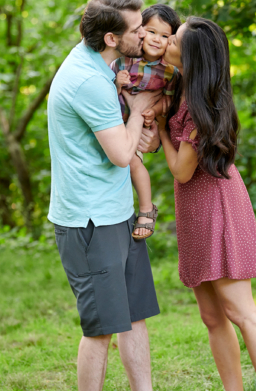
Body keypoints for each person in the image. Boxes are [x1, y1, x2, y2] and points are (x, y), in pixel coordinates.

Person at [157, 17, 256, 391]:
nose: (166, 43)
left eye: (173, 41)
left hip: (218, 207)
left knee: (241, 311)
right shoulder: (180, 89)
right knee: (212, 316)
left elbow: (181, 170)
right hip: (196, 211)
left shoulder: (201, 107)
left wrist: (161, 127)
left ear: (191, 56)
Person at [47, 0, 162, 391]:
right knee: (100, 329)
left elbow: (127, 144)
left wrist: (136, 125)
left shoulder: (102, 66)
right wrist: (140, 111)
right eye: (136, 30)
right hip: (90, 222)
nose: (144, 35)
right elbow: (119, 153)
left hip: (117, 213)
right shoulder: (88, 80)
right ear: (112, 38)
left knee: (134, 317)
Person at [110, 4, 181, 239]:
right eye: (151, 32)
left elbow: (170, 102)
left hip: (140, 128)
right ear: (141, 30)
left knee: (132, 163)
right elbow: (106, 93)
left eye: (164, 36)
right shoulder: (123, 61)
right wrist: (118, 82)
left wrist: (154, 110)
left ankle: (146, 209)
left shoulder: (170, 72)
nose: (156, 40)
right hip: (115, 124)